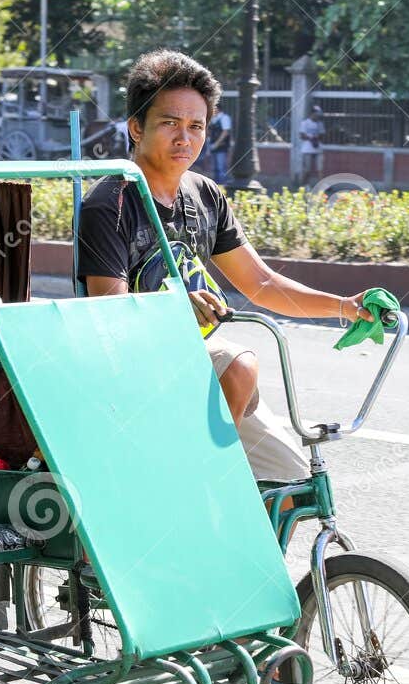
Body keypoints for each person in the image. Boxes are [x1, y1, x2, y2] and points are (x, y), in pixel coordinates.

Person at [76, 49, 374, 483]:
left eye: (196, 126)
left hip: (195, 369)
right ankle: (195, 486)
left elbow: (262, 283)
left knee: (293, 484)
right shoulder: (109, 204)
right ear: (136, 127)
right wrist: (176, 307)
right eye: (169, 124)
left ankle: (236, 531)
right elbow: (110, 313)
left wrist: (347, 306)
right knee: (238, 361)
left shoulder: (204, 194)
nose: (185, 138)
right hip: (136, 370)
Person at [298, 104, 325, 182]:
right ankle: (302, 185)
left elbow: (322, 135)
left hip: (318, 148)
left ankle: (322, 186)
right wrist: (311, 138)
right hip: (307, 149)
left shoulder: (320, 124)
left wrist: (317, 138)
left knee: (320, 169)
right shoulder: (305, 123)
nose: (318, 116)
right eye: (317, 114)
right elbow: (301, 135)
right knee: (307, 170)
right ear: (312, 114)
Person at [207, 104, 233, 182]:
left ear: (218, 109)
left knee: (220, 166)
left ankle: (222, 183)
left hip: (221, 146)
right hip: (212, 145)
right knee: (214, 167)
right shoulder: (213, 119)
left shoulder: (224, 118)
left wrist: (217, 144)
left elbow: (225, 132)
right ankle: (215, 183)